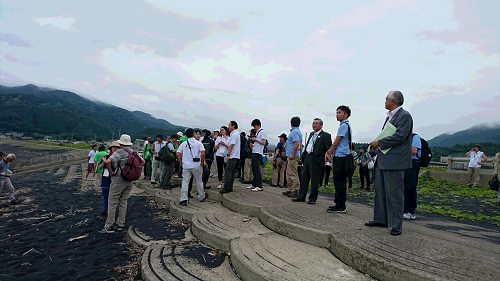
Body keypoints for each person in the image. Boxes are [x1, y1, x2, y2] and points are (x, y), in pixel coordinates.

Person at [366, 91, 413, 236]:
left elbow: (400, 136)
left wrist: (379, 143)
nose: (385, 101)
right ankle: (381, 219)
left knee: (394, 193)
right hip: (383, 159)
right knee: (379, 191)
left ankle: (396, 224)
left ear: (393, 101)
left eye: (386, 99)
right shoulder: (390, 117)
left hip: (395, 161)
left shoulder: (404, 116)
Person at [100, 134, 145, 233]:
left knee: (112, 202)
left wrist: (112, 172)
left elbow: (108, 162)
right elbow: (143, 162)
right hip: (129, 180)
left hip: (119, 179)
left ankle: (109, 226)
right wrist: (131, 171)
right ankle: (120, 224)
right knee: (123, 202)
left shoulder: (120, 152)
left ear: (121, 144)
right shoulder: (134, 152)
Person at [293, 118, 331, 204]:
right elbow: (307, 146)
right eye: (313, 123)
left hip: (316, 159)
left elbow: (328, 149)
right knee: (304, 177)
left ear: (321, 125)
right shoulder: (311, 134)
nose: (314, 125)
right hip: (307, 157)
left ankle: (312, 198)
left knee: (315, 180)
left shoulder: (325, 135)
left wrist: (321, 159)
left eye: (316, 123)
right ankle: (301, 196)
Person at [324, 106, 352, 213]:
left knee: (339, 181)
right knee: (340, 181)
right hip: (342, 157)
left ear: (346, 114)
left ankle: (340, 205)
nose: (337, 114)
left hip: (341, 157)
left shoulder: (344, 126)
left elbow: (336, 142)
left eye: (340, 113)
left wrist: (328, 153)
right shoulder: (346, 126)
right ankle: (339, 203)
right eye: (336, 113)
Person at [176, 128, 207, 206]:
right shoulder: (199, 143)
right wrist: (202, 163)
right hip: (196, 165)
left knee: (185, 182)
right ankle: (201, 196)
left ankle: (183, 199)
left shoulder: (183, 144)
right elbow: (203, 154)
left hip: (186, 166)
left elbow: (178, 154)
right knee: (199, 181)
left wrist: (181, 163)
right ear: (193, 134)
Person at [96, 141, 120, 221]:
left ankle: (111, 213)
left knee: (113, 198)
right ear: (111, 149)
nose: (115, 149)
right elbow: (99, 167)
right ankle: (105, 212)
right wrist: (104, 162)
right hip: (106, 179)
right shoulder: (106, 156)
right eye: (114, 148)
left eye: (117, 148)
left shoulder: (119, 158)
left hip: (115, 180)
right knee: (105, 197)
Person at [403, 134, 422, 220]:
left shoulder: (415, 137)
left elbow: (414, 150)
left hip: (413, 163)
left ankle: (410, 211)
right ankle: (403, 209)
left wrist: (401, 147)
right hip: (404, 163)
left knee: (410, 187)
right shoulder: (404, 137)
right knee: (402, 187)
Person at [284, 117, 303, 197]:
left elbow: (297, 143)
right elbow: (300, 145)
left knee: (292, 173)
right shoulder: (297, 132)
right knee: (289, 173)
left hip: (293, 156)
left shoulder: (294, 132)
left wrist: (292, 154)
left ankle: (295, 190)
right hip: (293, 155)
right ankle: (290, 189)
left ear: (291, 123)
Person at [220, 121, 241, 193]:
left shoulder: (234, 134)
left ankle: (226, 188)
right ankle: (230, 187)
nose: (228, 127)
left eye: (229, 125)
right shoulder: (236, 134)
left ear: (233, 126)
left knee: (228, 172)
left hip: (233, 156)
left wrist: (228, 155)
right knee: (231, 172)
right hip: (235, 156)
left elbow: (231, 146)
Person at [248, 119, 267, 192]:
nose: (254, 128)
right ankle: (254, 184)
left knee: (256, 169)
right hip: (255, 151)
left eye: (255, 126)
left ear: (258, 125)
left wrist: (255, 139)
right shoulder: (258, 132)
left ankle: (259, 185)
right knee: (254, 168)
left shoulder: (262, 132)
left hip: (258, 153)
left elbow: (263, 142)